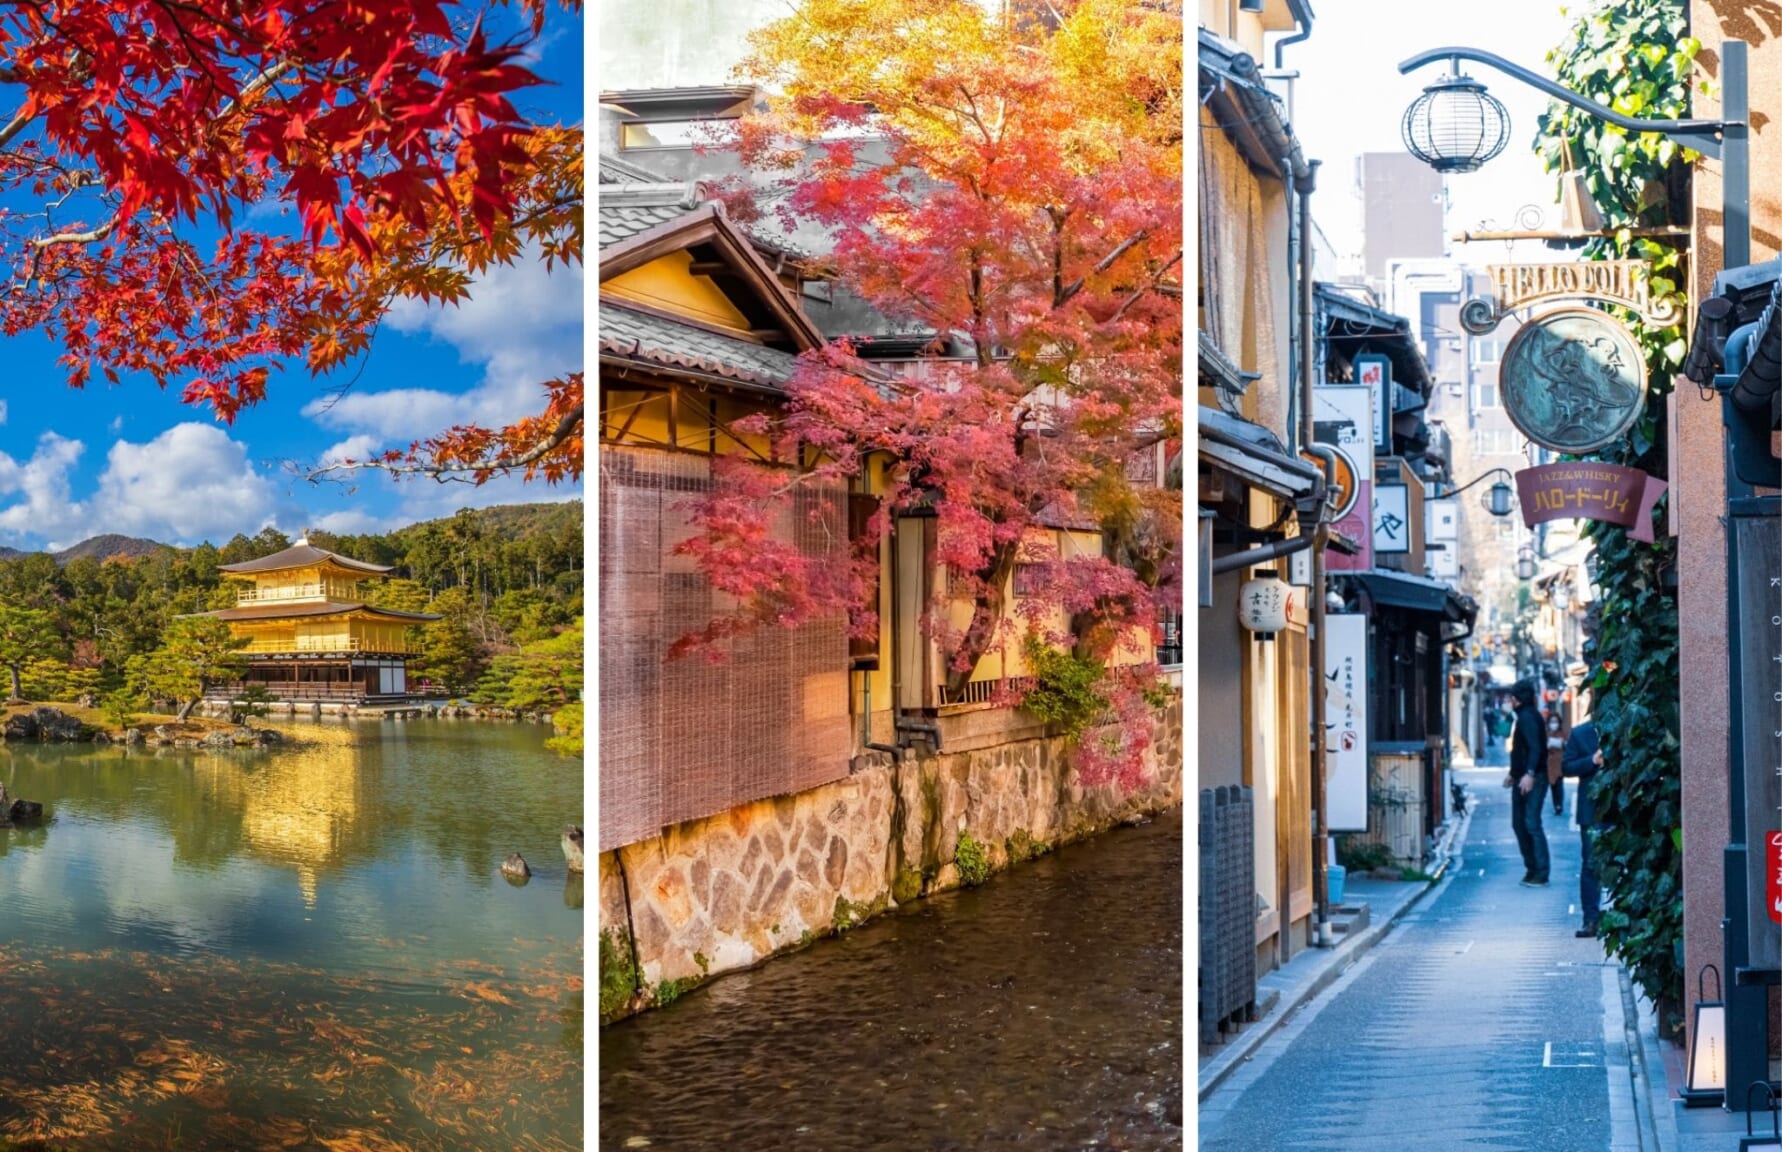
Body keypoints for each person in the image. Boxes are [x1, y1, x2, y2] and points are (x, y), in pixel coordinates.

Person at [1561, 709, 1603, 937]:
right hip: (1591, 810)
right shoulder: (1580, 733)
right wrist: (1592, 761)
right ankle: (1591, 919)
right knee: (1590, 865)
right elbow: (1566, 767)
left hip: (1621, 808)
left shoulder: (1625, 729)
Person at [1504, 679, 1550, 886]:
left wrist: (1529, 773)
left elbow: (1534, 748)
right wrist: (1514, 773)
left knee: (1530, 823)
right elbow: (1523, 750)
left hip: (1533, 777)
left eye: (1511, 698)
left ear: (1516, 699)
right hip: (1525, 776)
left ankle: (1539, 871)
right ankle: (1533, 869)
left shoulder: (1527, 718)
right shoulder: (1528, 716)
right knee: (1522, 823)